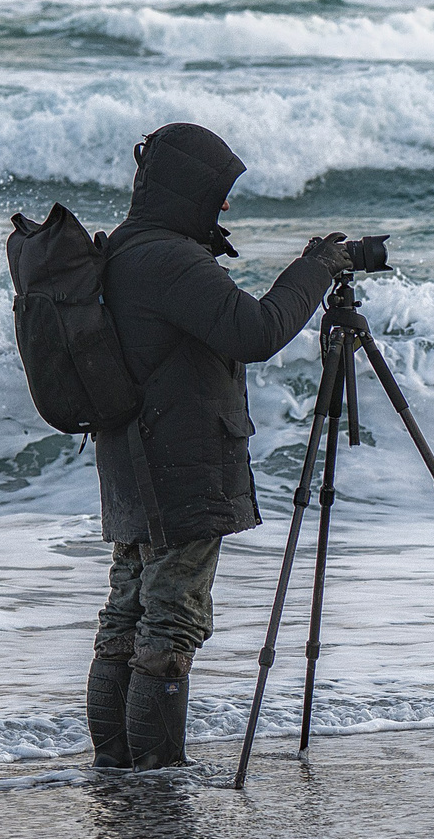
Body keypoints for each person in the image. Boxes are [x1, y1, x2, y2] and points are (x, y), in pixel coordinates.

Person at [88, 123, 351, 769]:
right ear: (187, 191)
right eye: (217, 193)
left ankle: (118, 773)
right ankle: (157, 779)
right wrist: (316, 270)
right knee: (169, 624)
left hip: (132, 467)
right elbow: (255, 331)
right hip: (180, 469)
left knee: (127, 618)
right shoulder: (169, 260)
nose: (224, 207)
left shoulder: (126, 249)